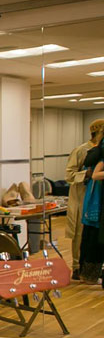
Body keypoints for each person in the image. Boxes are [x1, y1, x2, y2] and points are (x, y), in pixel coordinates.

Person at [65, 119, 104, 280]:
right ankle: (77, 267)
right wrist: (87, 174)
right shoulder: (81, 150)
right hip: (82, 198)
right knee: (80, 234)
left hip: (99, 198)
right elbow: (69, 175)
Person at [79, 136, 104, 285]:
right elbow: (95, 175)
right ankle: (88, 274)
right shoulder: (99, 158)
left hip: (96, 206)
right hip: (97, 206)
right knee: (94, 240)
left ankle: (89, 274)